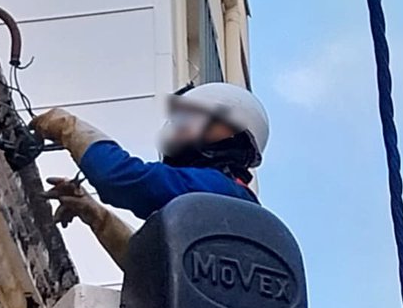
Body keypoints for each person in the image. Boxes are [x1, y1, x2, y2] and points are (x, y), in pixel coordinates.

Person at [32, 82, 270, 270]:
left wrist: (69, 128)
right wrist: (97, 216)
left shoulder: (220, 191)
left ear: (230, 133)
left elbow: (119, 177)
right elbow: (151, 272)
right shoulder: (222, 209)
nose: (181, 128)